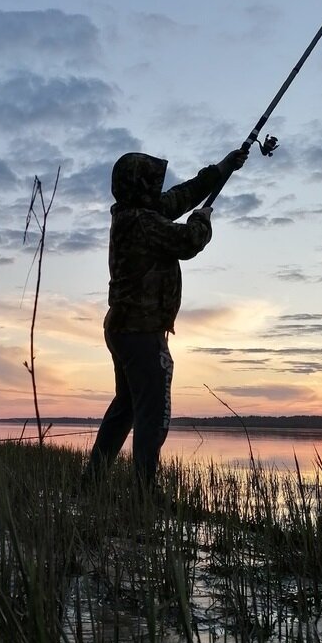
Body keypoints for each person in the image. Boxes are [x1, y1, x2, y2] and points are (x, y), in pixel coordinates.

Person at [83, 148, 247, 495]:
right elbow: (187, 242)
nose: (158, 189)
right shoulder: (143, 222)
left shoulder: (134, 213)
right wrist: (203, 219)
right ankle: (145, 493)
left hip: (122, 327)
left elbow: (178, 198)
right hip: (141, 331)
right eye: (152, 183)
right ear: (141, 186)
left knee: (127, 405)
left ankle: (92, 482)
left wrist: (222, 168)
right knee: (152, 410)